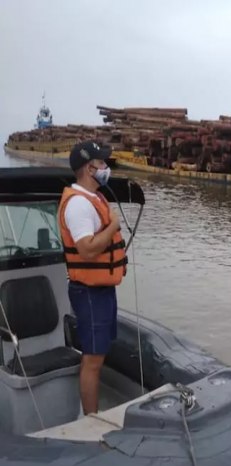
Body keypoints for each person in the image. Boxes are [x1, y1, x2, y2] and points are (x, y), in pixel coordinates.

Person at [57, 141, 127, 414]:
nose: (106, 167)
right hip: (88, 291)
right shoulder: (77, 205)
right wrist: (113, 226)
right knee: (93, 360)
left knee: (99, 354)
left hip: (102, 289)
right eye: (103, 163)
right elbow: (86, 249)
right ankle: (92, 420)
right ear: (90, 168)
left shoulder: (94, 198)